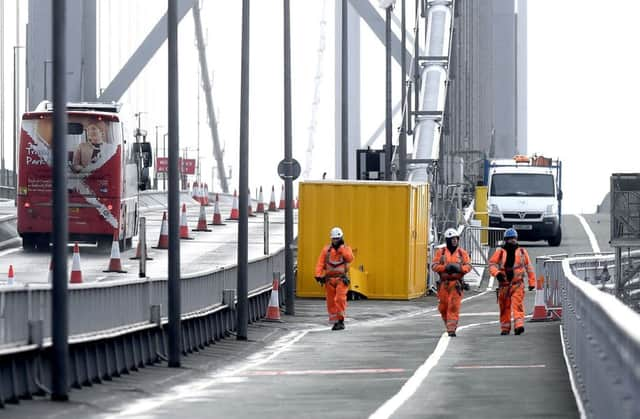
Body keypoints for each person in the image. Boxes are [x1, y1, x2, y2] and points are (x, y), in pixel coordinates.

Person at [488, 228, 536, 336]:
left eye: (514, 238)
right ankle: (505, 328)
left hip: (517, 284)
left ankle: (519, 326)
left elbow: (529, 268)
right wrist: (497, 274)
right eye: (510, 239)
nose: (513, 240)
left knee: (517, 304)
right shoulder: (500, 252)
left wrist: (532, 282)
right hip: (504, 286)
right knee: (504, 307)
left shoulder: (522, 252)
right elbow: (492, 265)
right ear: (506, 240)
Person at [431, 228, 472, 337]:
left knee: (453, 306)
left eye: (455, 239)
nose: (454, 241)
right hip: (444, 284)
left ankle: (451, 329)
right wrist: (445, 267)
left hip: (456, 284)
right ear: (448, 240)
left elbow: (468, 266)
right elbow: (434, 266)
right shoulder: (441, 252)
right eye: (452, 239)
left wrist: (459, 268)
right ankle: (448, 324)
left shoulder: (462, 253)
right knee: (443, 307)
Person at [314, 227, 354, 330]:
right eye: (334, 238)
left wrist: (341, 249)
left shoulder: (346, 249)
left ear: (341, 238)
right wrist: (318, 275)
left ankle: (341, 320)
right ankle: (335, 321)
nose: (335, 240)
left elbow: (350, 258)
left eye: (337, 238)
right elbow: (320, 263)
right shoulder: (326, 250)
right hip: (329, 280)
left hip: (341, 279)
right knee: (331, 301)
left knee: (340, 299)